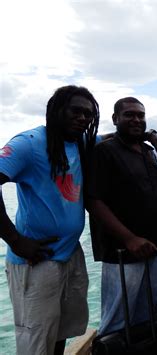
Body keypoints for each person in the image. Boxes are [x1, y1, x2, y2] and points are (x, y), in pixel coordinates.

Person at [0, 85, 99, 355]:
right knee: (35, 339)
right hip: (36, 260)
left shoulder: (82, 141)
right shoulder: (29, 143)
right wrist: (16, 240)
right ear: (57, 111)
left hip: (69, 254)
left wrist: (151, 135)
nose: (83, 118)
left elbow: (114, 138)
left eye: (88, 114)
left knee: (61, 331)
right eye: (76, 111)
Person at [87, 97, 157, 335]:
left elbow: (152, 192)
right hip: (122, 251)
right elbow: (93, 200)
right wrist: (129, 239)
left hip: (155, 244)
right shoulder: (104, 151)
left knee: (148, 313)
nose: (136, 119)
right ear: (115, 119)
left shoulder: (148, 152)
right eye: (129, 114)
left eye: (141, 115)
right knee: (117, 317)